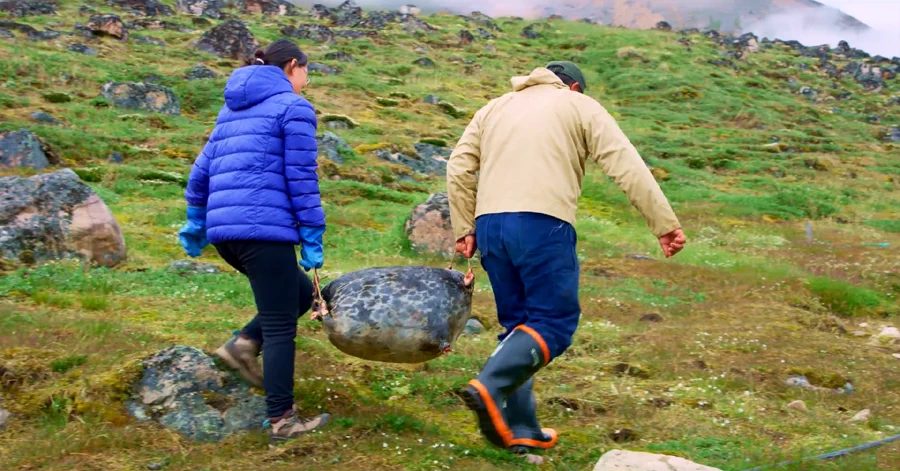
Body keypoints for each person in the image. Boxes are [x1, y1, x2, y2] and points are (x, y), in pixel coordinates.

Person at [446, 61, 687, 453]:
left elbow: (459, 166)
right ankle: (490, 385)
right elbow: (624, 162)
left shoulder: (493, 108)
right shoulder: (579, 106)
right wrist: (664, 223)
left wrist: (465, 228)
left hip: (490, 226)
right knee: (554, 323)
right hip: (543, 223)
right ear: (574, 86)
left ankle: (522, 428)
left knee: (519, 326)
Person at [177, 38, 331, 442]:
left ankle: (242, 347)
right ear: (293, 66)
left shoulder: (231, 108)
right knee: (282, 326)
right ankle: (282, 420)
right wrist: (312, 232)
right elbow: (301, 178)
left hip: (226, 234)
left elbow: (200, 174)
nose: (307, 81)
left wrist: (196, 220)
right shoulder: (293, 107)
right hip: (264, 232)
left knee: (298, 295)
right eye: (306, 72)